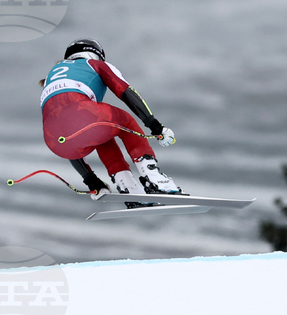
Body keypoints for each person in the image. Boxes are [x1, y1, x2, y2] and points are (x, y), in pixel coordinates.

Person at [39, 38, 182, 200]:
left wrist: (91, 181)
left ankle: (127, 186)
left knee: (100, 134)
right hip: (84, 116)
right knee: (125, 121)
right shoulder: (93, 64)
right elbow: (126, 93)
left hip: (53, 141)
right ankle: (154, 178)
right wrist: (156, 126)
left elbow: (64, 132)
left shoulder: (50, 77)